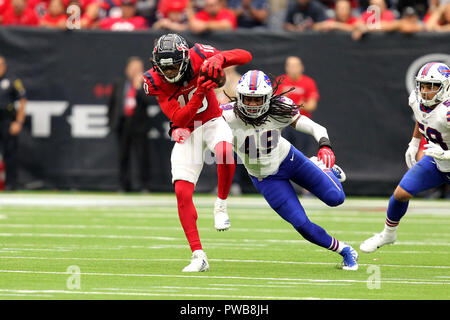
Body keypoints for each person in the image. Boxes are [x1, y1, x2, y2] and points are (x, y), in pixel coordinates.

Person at [217, 70, 358, 270]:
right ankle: (345, 250)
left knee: (336, 199)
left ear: (267, 98)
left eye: (258, 100)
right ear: (239, 97)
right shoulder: (226, 115)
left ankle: (322, 167)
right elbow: (199, 126)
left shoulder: (279, 108)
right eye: (248, 99)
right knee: (301, 225)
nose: (252, 105)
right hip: (265, 178)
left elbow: (316, 128)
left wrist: (325, 145)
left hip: (290, 160)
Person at [143, 33, 252, 272]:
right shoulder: (154, 81)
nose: (169, 73)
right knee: (182, 192)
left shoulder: (200, 55)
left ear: (184, 58)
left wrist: (219, 59)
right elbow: (180, 118)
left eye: (173, 67)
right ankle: (198, 255)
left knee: (225, 152)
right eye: (165, 68)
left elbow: (246, 55)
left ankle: (221, 204)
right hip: (187, 131)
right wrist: (201, 92)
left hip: (213, 121)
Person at [360, 62, 450, 253]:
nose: (425, 91)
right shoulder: (416, 100)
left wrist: (447, 153)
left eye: (432, 87)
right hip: (436, 158)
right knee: (401, 194)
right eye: (423, 85)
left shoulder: (447, 112)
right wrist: (414, 143)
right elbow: (422, 118)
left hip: (444, 154)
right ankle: (388, 234)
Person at [108, 56, 152, 193]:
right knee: (123, 156)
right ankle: (123, 185)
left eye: (138, 69)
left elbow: (149, 101)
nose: (135, 71)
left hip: (139, 125)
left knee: (142, 156)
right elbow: (112, 104)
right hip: (123, 124)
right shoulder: (120, 83)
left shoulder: (145, 84)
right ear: (127, 70)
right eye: (133, 68)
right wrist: (112, 122)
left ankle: (144, 185)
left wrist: (139, 87)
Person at [276, 56, 319, 157]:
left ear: (301, 67)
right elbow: (274, 103)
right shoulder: (280, 80)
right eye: (290, 66)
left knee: (302, 154)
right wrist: (282, 99)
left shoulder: (308, 82)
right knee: (283, 153)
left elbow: (312, 105)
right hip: (284, 124)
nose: (293, 68)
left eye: (295, 66)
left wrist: (299, 105)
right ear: (286, 68)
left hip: (301, 122)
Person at [0, 55, 27, 190]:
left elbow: (22, 100)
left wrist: (18, 122)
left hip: (6, 120)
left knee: (10, 152)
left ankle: (11, 183)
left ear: (4, 66)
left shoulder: (12, 80)